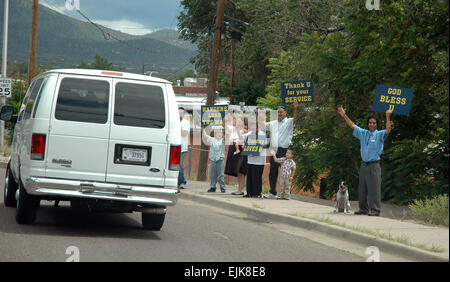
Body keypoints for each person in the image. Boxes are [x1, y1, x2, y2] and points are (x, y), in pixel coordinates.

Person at [337, 107, 392, 216]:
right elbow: (352, 125)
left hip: (374, 165)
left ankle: (375, 210)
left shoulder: (379, 134)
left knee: (374, 189)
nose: (371, 124)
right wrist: (344, 116)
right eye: (370, 123)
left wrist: (387, 116)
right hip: (364, 165)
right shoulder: (364, 133)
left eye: (374, 123)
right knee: (362, 188)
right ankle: (363, 209)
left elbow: (388, 130)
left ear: (376, 125)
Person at [264, 102, 299, 199]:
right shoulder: (273, 123)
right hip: (274, 150)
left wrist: (296, 108)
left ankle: (285, 194)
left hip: (284, 151)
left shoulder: (289, 122)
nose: (279, 114)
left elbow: (295, 118)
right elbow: (262, 125)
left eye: (281, 112)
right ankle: (272, 192)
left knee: (286, 172)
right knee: (272, 171)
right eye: (278, 112)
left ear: (285, 113)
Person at [243, 113, 268, 198]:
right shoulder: (249, 134)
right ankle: (249, 192)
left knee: (256, 177)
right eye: (252, 127)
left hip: (259, 160)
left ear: (258, 127)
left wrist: (256, 149)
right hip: (250, 159)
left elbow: (265, 145)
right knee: (249, 177)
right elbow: (242, 140)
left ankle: (257, 193)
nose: (253, 128)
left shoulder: (262, 134)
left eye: (255, 127)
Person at [224, 112, 248, 195]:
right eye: (237, 121)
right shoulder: (232, 129)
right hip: (233, 148)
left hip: (241, 149)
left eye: (239, 121)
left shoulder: (244, 130)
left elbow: (242, 138)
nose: (238, 123)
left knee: (242, 170)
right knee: (238, 171)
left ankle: (241, 189)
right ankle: (239, 189)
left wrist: (238, 129)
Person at [203, 127, 226, 193]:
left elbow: (228, 135)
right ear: (215, 134)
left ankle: (222, 187)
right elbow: (205, 135)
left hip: (220, 160)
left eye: (220, 132)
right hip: (213, 160)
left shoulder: (223, 140)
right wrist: (203, 129)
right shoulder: (212, 139)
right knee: (213, 175)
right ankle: (212, 187)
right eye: (217, 132)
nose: (219, 134)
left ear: (222, 134)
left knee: (220, 175)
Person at [178, 107, 190, 189]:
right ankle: (178, 181)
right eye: (179, 113)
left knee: (180, 165)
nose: (180, 114)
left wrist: (176, 128)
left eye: (182, 113)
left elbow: (184, 133)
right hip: (174, 145)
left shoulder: (186, 122)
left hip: (182, 147)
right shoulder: (174, 121)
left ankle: (182, 181)